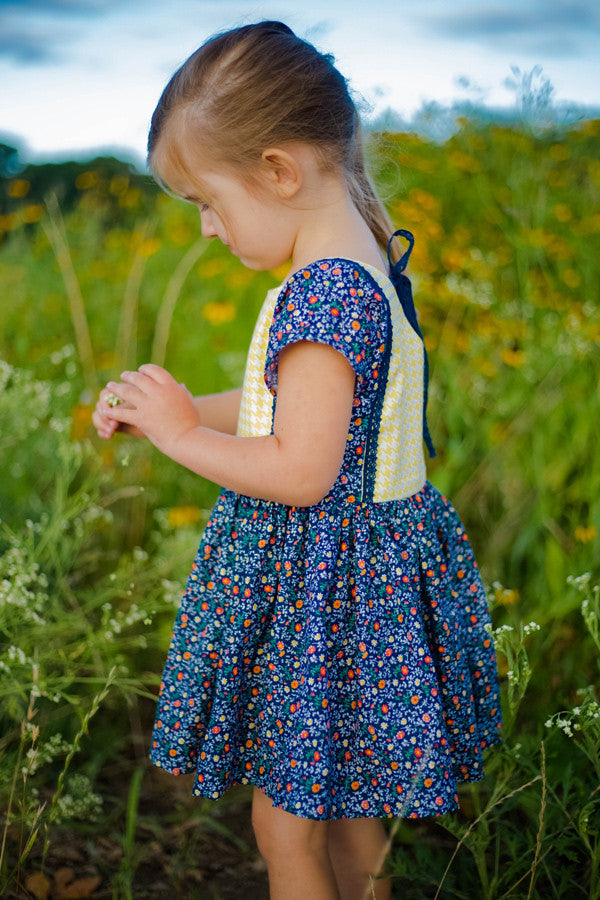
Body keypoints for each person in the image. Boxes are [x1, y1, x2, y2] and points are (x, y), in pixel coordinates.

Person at [92, 20, 502, 900]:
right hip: (362, 589)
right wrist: (162, 411)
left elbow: (303, 470)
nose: (206, 230)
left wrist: (179, 438)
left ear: (279, 170)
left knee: (284, 826)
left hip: (328, 598)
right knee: (351, 810)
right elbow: (291, 415)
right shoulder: (362, 267)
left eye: (207, 201)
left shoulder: (323, 292)